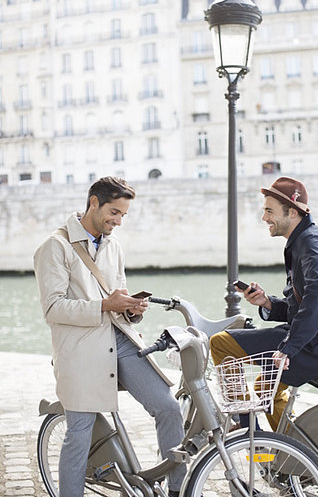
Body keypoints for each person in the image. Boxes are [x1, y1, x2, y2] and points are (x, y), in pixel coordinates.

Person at [34, 176, 185, 497]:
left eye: (122, 216)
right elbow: (53, 309)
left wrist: (132, 309)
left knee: (169, 408)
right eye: (113, 213)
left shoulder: (113, 245)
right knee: (80, 433)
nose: (117, 221)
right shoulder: (54, 247)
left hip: (122, 342)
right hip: (80, 351)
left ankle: (177, 490)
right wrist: (105, 304)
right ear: (93, 203)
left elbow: (118, 294)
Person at [210, 176, 318, 431]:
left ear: (292, 212)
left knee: (219, 343)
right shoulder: (305, 241)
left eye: (269, 211)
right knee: (266, 388)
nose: (264, 218)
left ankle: (244, 427)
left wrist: (288, 347)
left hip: (314, 345)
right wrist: (268, 303)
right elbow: (305, 303)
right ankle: (300, 456)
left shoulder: (312, 243)